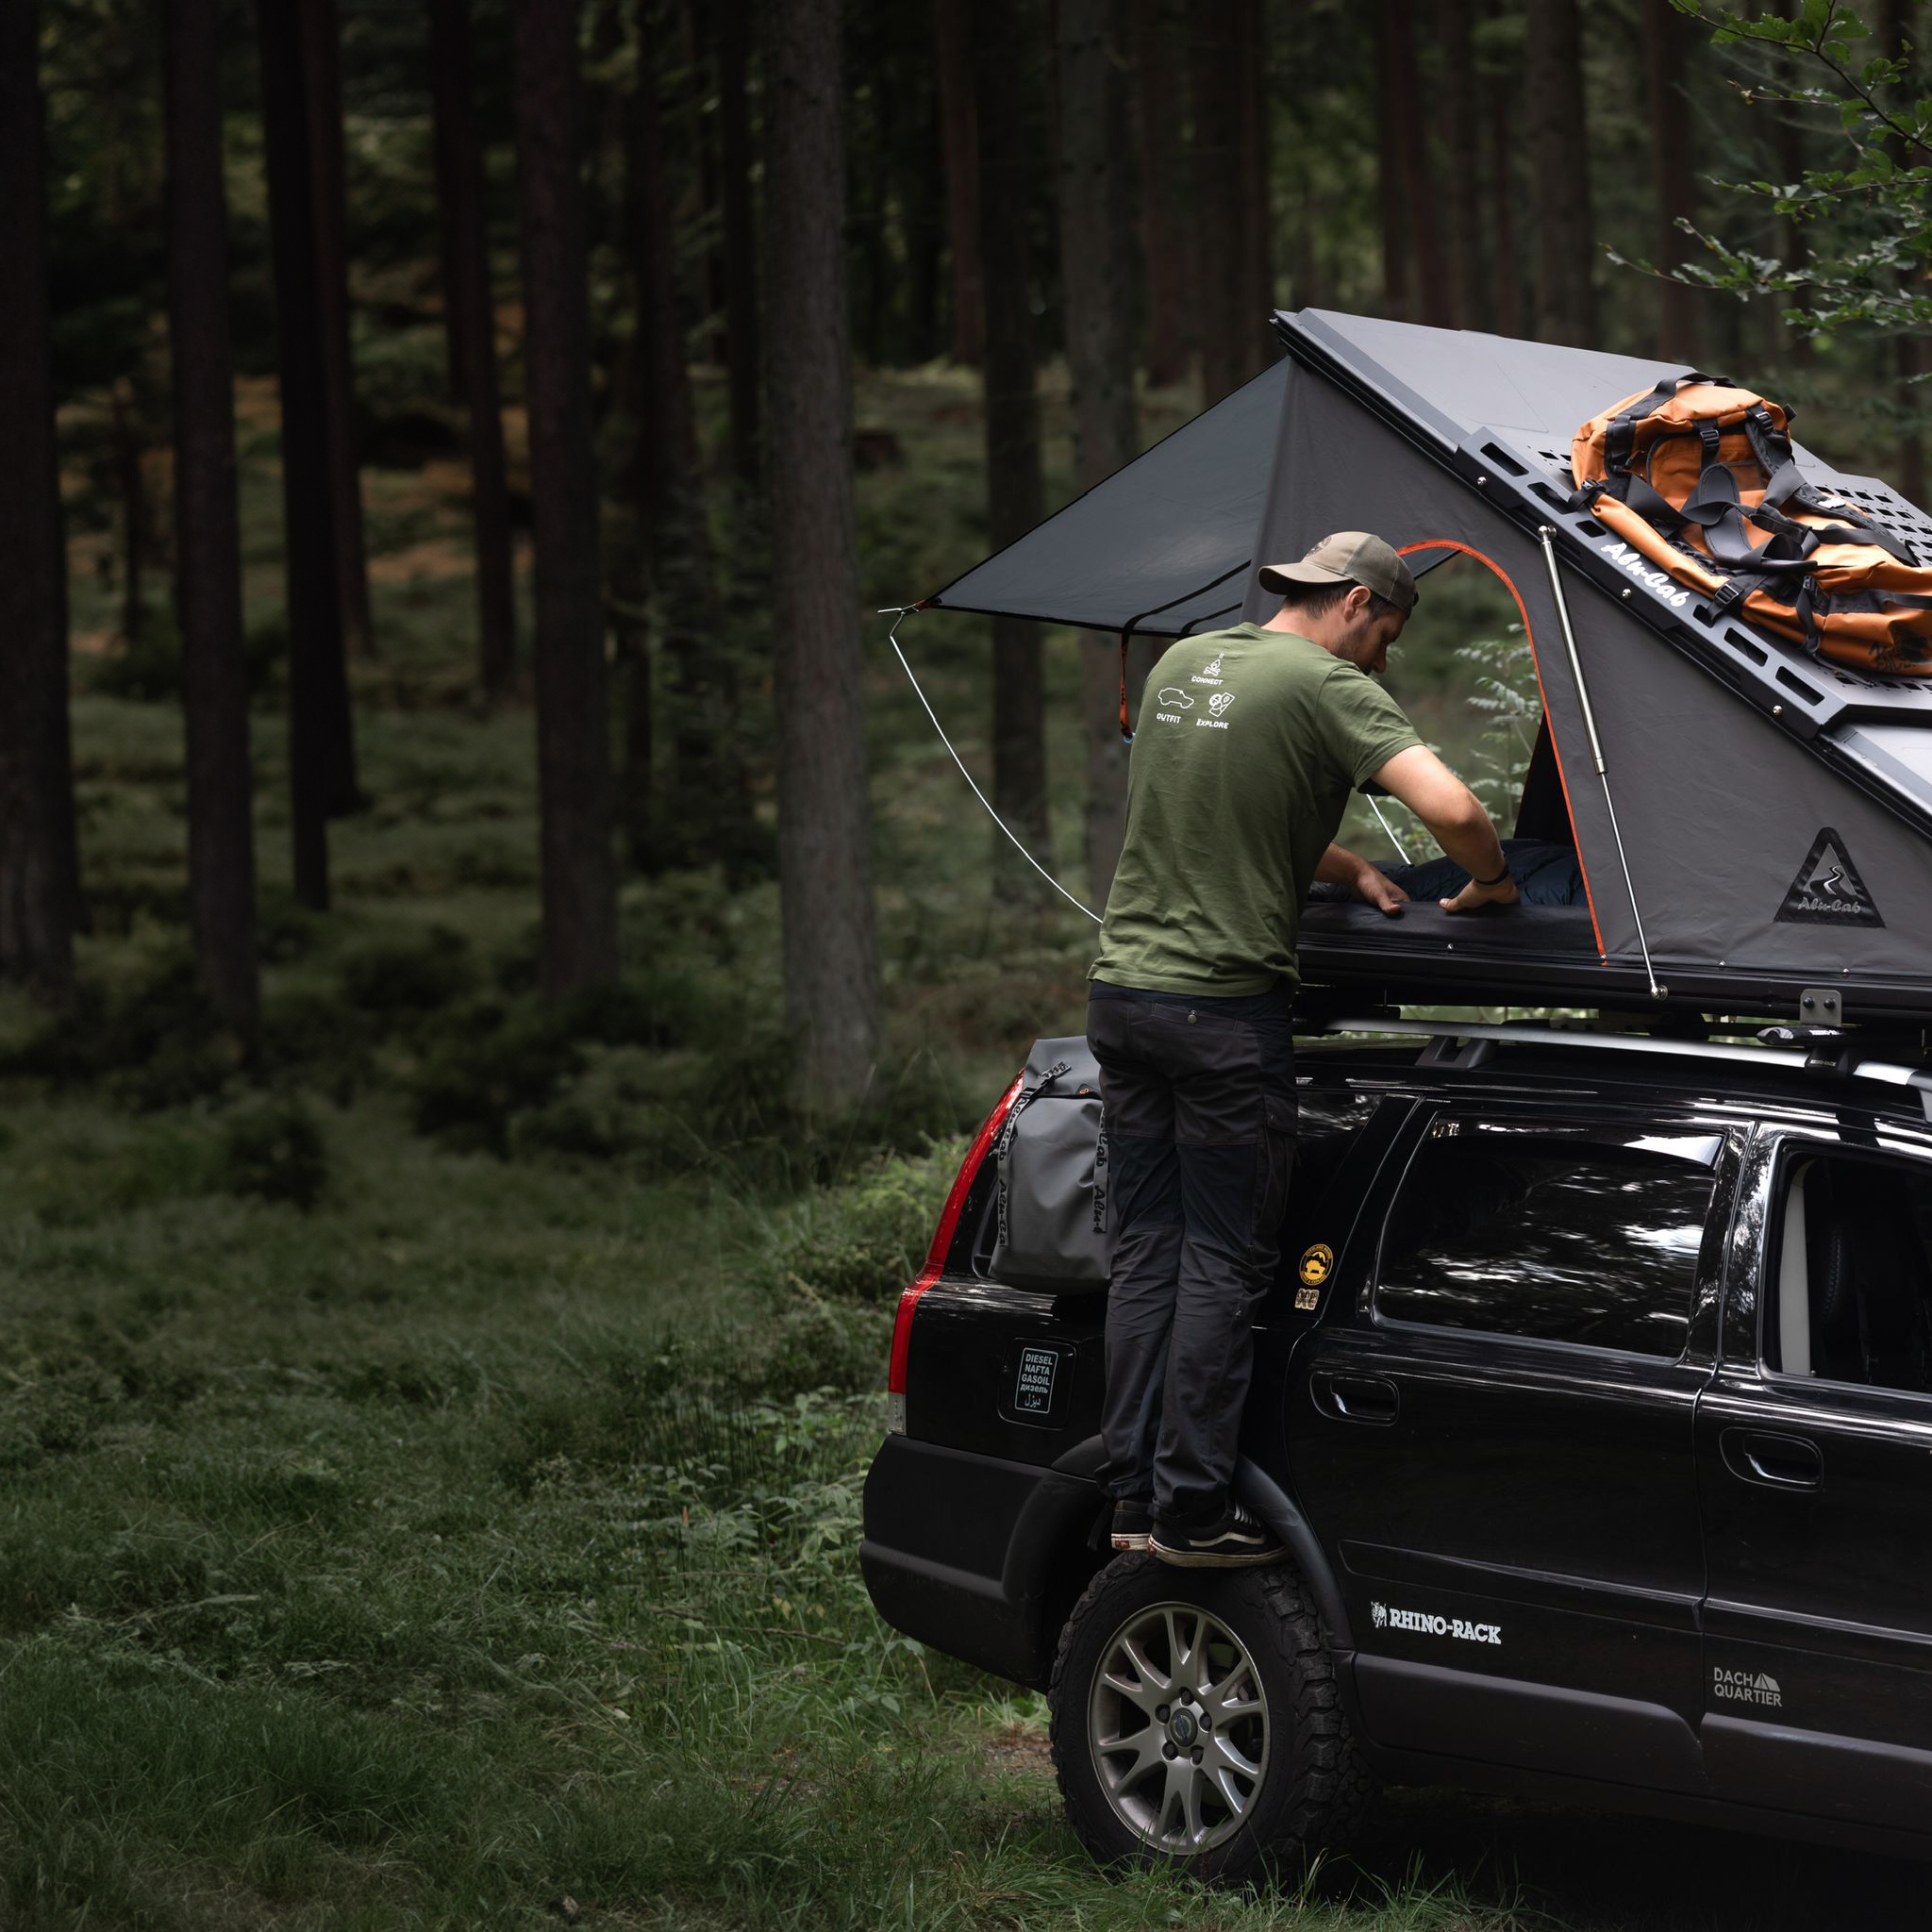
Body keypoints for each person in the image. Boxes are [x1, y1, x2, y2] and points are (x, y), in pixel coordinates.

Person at [1088, 530, 1519, 1567]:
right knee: (1221, 1263)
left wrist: (1344, 868)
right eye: (1388, 636)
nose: (1383, 659)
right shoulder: (1328, 684)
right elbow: (1454, 808)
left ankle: (1132, 1500)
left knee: (1145, 1253)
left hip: (1122, 998)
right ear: (1359, 602)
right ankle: (1194, 1512)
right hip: (1220, 1016)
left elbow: (1212, 807)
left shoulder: (1187, 661)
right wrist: (1492, 882)